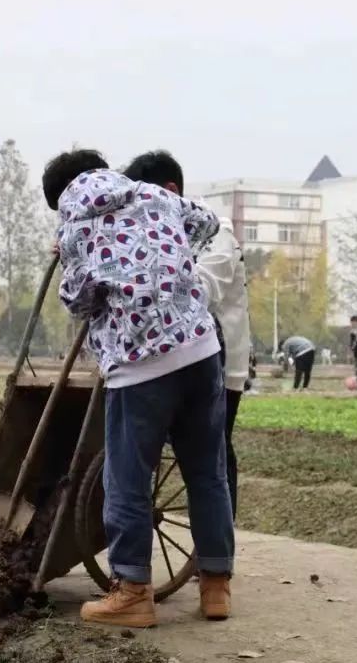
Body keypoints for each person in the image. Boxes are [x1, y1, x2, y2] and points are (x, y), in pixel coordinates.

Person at [43, 148, 231, 628]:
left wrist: (71, 259)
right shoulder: (152, 195)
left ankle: (132, 592)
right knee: (206, 473)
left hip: (140, 362)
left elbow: (79, 301)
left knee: (125, 478)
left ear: (60, 196)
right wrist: (167, 256)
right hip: (200, 347)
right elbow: (207, 224)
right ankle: (215, 588)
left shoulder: (76, 226)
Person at [125, 151, 249, 521]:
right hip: (164, 356)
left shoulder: (216, 236)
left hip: (218, 365)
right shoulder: (152, 232)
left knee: (210, 455)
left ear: (171, 191)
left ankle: (215, 553)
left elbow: (200, 290)